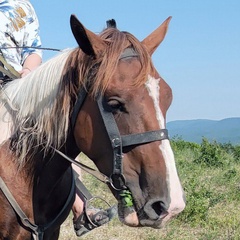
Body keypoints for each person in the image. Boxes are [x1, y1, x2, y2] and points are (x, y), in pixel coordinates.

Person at [0, 0, 116, 236]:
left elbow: (32, 49)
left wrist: (28, 73)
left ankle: (81, 204)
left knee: (55, 134)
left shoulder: (21, 6)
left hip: (16, 87)